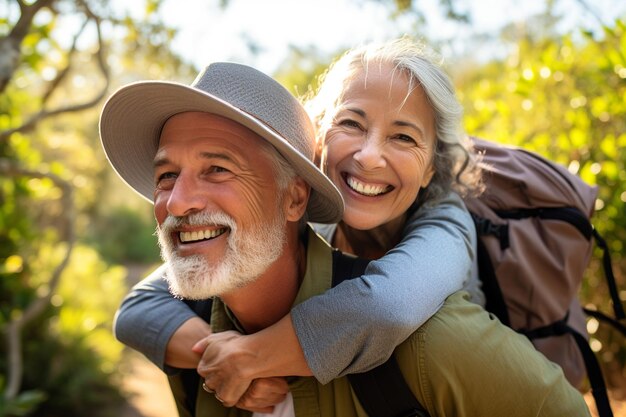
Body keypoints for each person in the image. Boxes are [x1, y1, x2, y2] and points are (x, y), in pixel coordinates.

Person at [100, 59, 591, 416]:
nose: (370, 156)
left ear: (430, 168)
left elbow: (389, 307)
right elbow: (142, 306)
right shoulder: (299, 223)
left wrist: (251, 357)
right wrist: (214, 352)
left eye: (403, 137)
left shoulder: (445, 226)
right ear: (316, 146)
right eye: (351, 124)